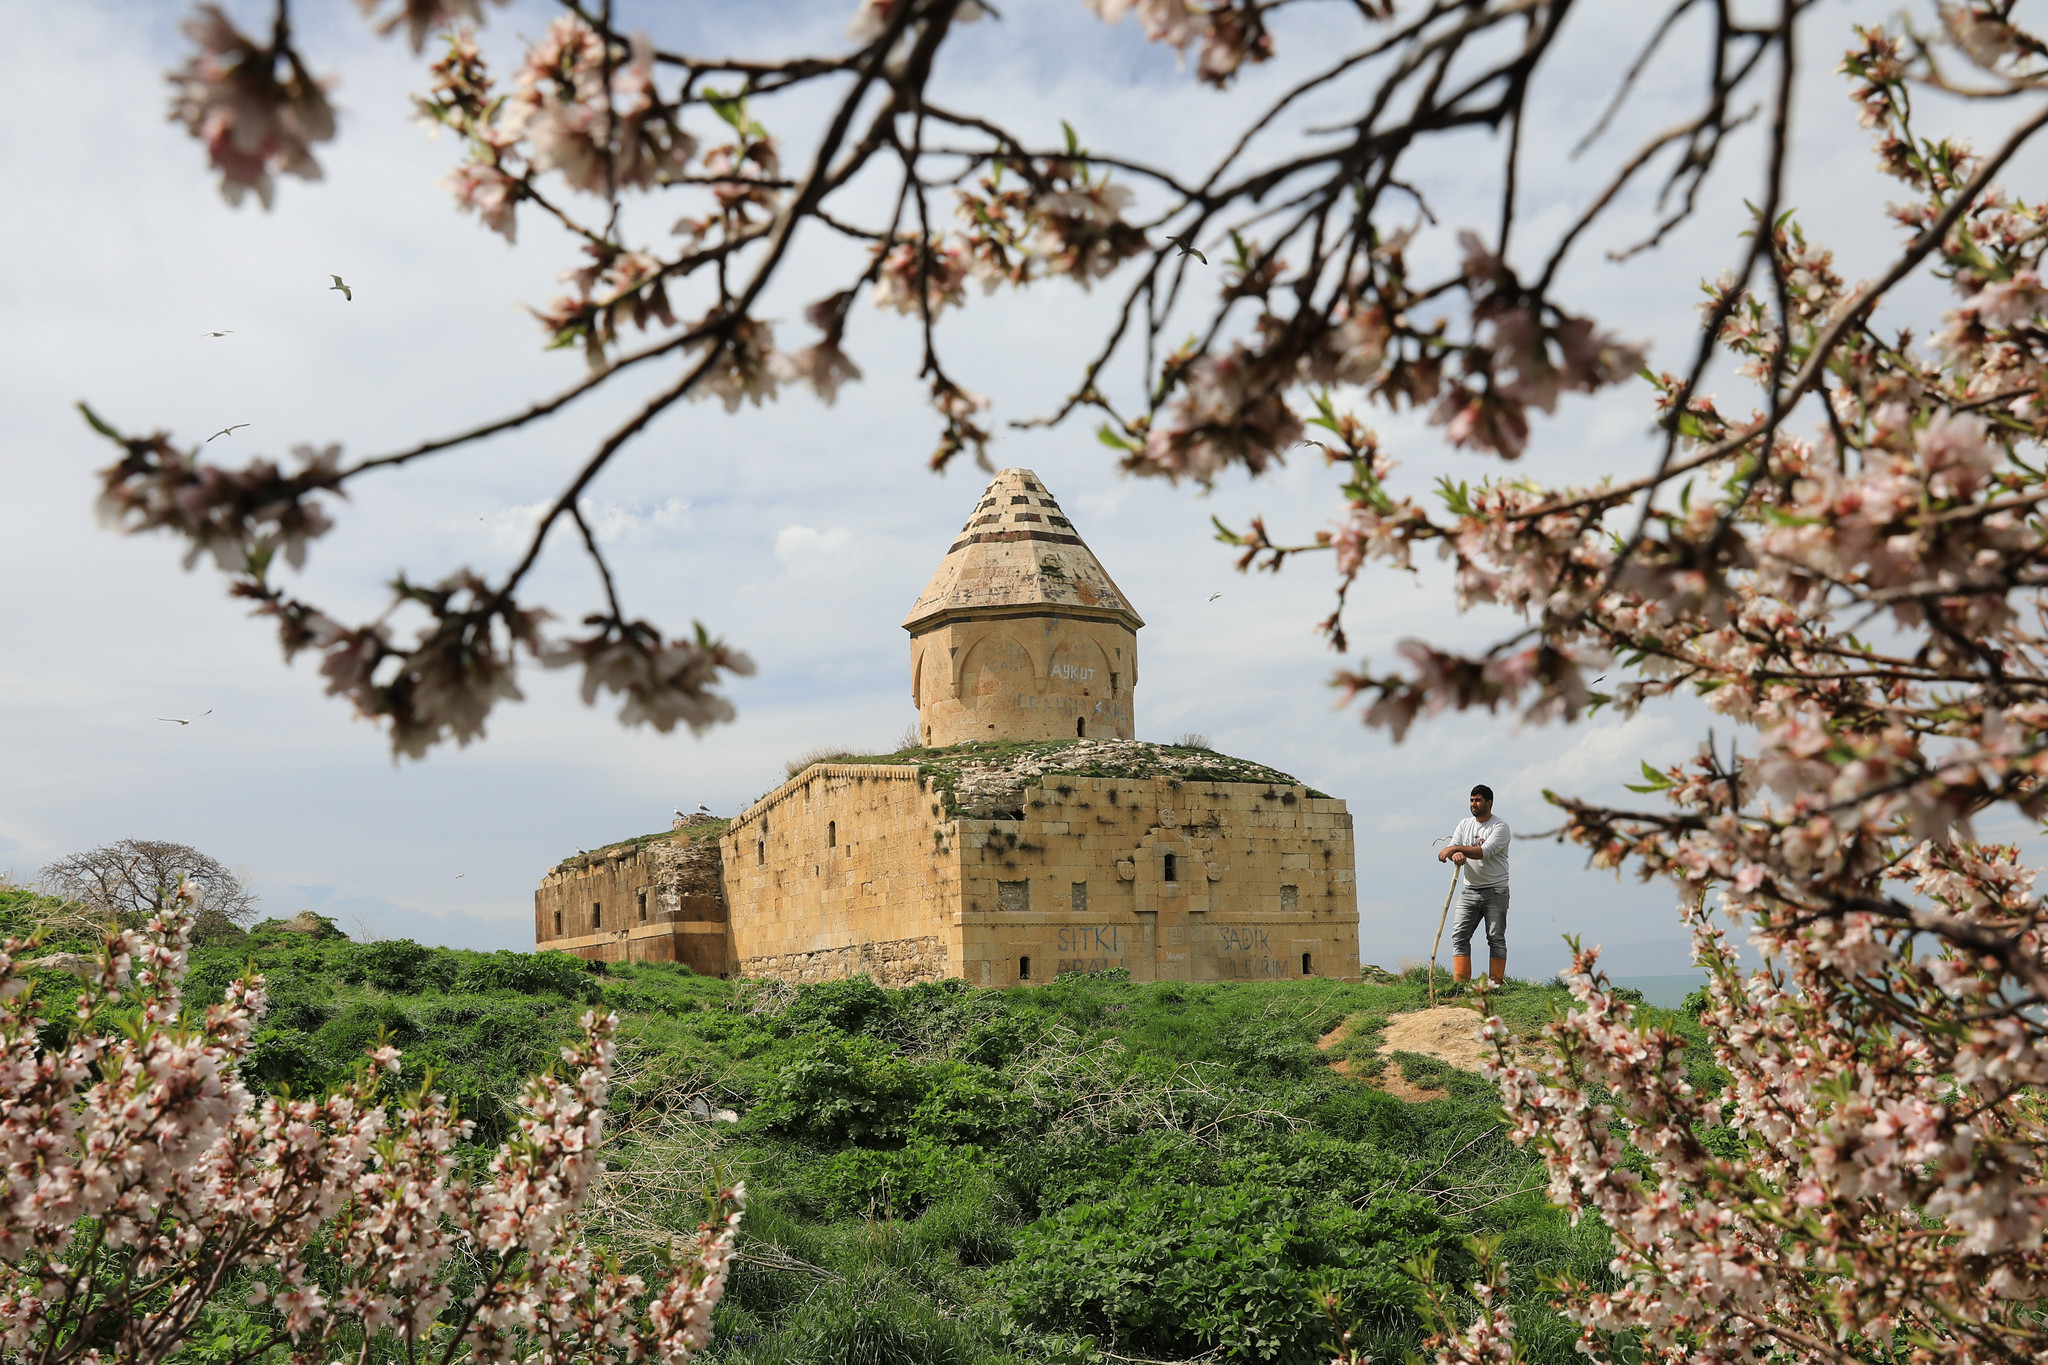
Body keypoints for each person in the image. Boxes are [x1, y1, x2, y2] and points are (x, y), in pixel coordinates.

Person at [1436, 784, 1510, 985]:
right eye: (1471, 800)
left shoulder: (1500, 827)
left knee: (1495, 937)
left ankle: (1495, 984)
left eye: (1478, 800)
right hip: (1469, 890)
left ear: (1489, 803)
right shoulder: (1464, 824)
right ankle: (1460, 984)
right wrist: (1457, 855)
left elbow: (1484, 851)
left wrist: (1456, 848)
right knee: (1459, 935)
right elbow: (1458, 853)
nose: (1474, 804)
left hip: (1496, 890)